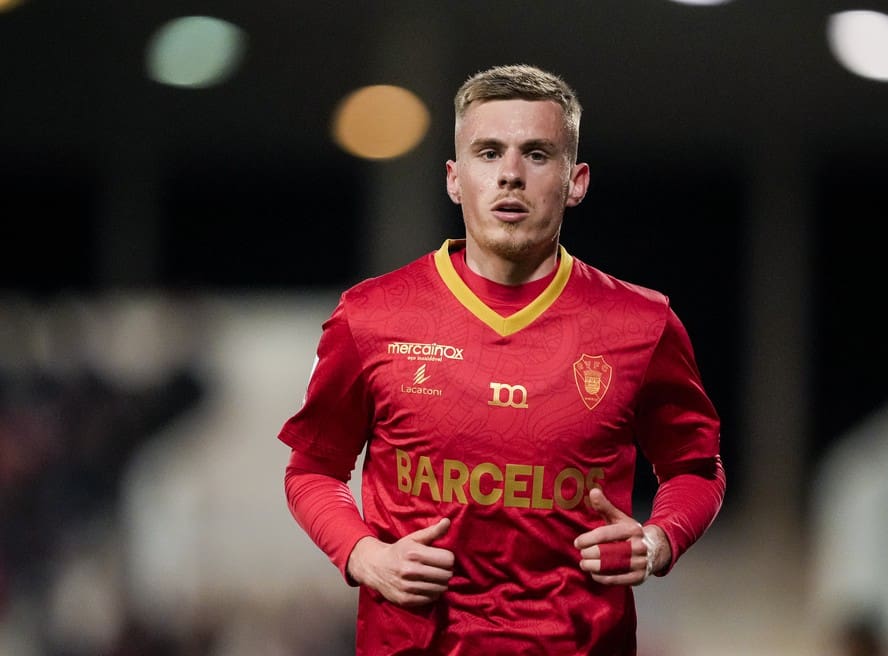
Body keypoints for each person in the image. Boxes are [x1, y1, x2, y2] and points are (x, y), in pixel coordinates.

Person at [277, 63, 726, 655]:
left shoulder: (642, 325)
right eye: (488, 153)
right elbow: (313, 470)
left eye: (537, 154)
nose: (510, 175)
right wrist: (364, 555)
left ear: (576, 181)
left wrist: (659, 541)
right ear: (454, 178)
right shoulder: (370, 317)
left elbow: (696, 468)